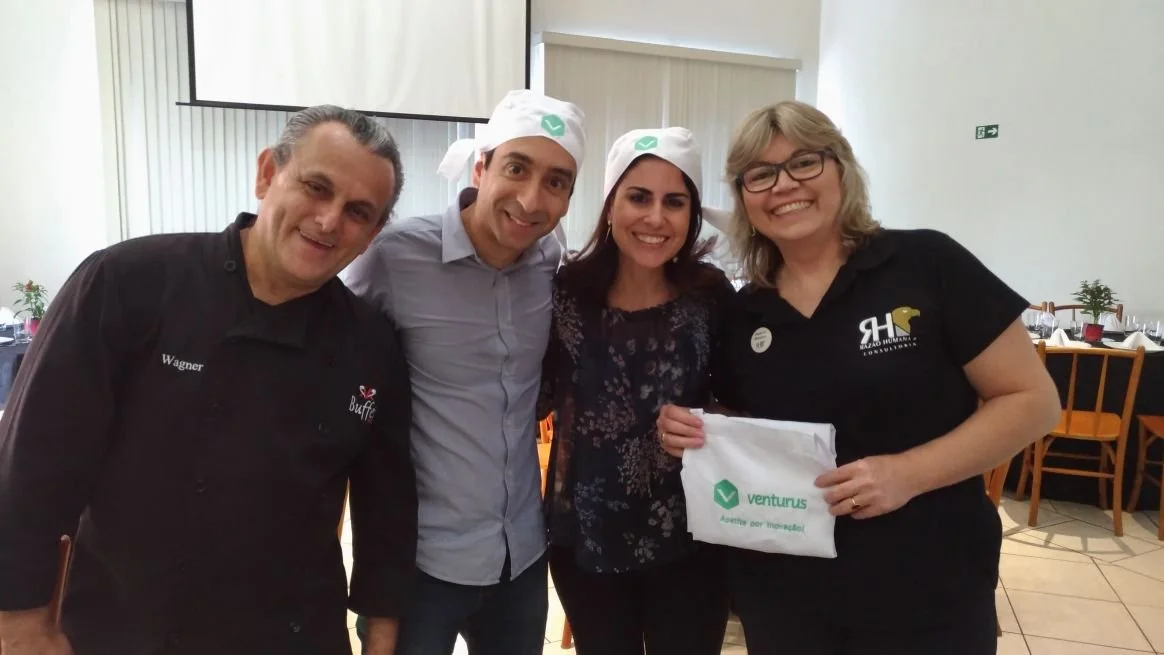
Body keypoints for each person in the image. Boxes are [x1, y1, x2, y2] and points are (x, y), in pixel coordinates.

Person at [0, 106, 418, 655]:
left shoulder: (370, 342)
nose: (328, 220)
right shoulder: (127, 282)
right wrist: (19, 620)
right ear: (267, 174)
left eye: (358, 212)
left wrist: (381, 631)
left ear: (372, 235)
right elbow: (33, 462)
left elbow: (386, 503)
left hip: (294, 633)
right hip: (127, 627)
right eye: (316, 188)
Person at [656, 101, 1061, 654]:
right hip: (784, 595)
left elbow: (1033, 400)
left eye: (804, 162)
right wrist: (699, 430)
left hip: (927, 587)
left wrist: (908, 474)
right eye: (761, 174)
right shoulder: (744, 311)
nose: (784, 185)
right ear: (744, 197)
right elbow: (746, 423)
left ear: (840, 168)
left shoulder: (925, 263)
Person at [342, 89, 585, 655]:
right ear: (481, 167)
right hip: (420, 561)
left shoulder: (551, 261)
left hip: (520, 557)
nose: (531, 199)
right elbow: (330, 354)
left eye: (555, 182)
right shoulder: (396, 257)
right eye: (517, 168)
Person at [538, 127, 733, 655]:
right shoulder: (565, 293)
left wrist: (711, 420)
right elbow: (530, 395)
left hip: (693, 535)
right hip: (587, 538)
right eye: (639, 197)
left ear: (692, 215)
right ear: (609, 205)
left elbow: (742, 399)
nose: (655, 218)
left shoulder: (710, 296)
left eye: (675, 202)